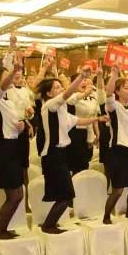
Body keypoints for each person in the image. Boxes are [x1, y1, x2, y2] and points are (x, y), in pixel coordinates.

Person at [39, 67, 107, 233]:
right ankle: (48, 226)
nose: (61, 89)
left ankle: (49, 225)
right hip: (52, 154)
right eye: (57, 87)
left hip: (60, 154)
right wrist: (81, 77)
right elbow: (67, 94)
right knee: (66, 195)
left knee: (65, 195)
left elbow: (78, 121)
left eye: (60, 86)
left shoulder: (61, 110)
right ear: (48, 93)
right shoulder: (49, 105)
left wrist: (98, 118)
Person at [0, 55, 27, 239]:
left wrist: (21, 126)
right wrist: (14, 70)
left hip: (13, 146)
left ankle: (3, 229)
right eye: (6, 77)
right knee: (14, 195)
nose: (10, 80)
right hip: (2, 148)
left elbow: (14, 124)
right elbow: (0, 89)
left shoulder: (9, 101)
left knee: (18, 193)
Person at [102, 65, 128, 223]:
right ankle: (106, 217)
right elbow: (108, 93)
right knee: (118, 190)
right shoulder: (114, 106)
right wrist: (114, 74)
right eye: (126, 88)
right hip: (117, 151)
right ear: (118, 92)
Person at [65, 74, 99, 175]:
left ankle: (82, 184)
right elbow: (70, 101)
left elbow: (93, 117)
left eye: (85, 80)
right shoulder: (70, 95)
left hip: (87, 133)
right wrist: (85, 93)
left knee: (85, 164)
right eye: (81, 80)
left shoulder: (91, 97)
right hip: (73, 133)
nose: (84, 82)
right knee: (75, 166)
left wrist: (95, 134)